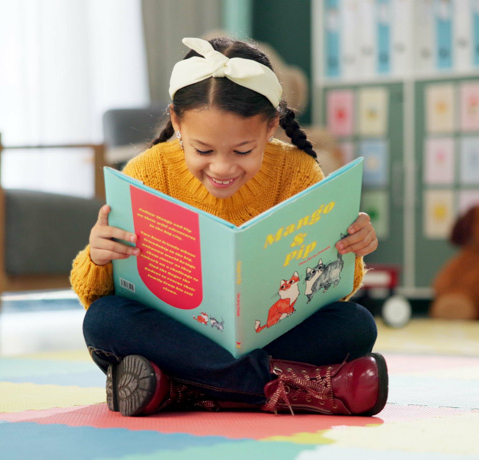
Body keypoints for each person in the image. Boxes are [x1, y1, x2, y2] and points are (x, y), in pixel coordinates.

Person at [71, 37, 388, 417]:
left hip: (267, 332)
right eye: (203, 150)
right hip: (178, 334)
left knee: (355, 325)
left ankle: (182, 389)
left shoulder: (297, 172)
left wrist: (350, 248)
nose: (222, 168)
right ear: (177, 122)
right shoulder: (147, 172)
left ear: (270, 127)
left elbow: (332, 291)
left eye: (242, 151)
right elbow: (97, 292)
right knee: (105, 321)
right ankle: (297, 389)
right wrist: (98, 256)